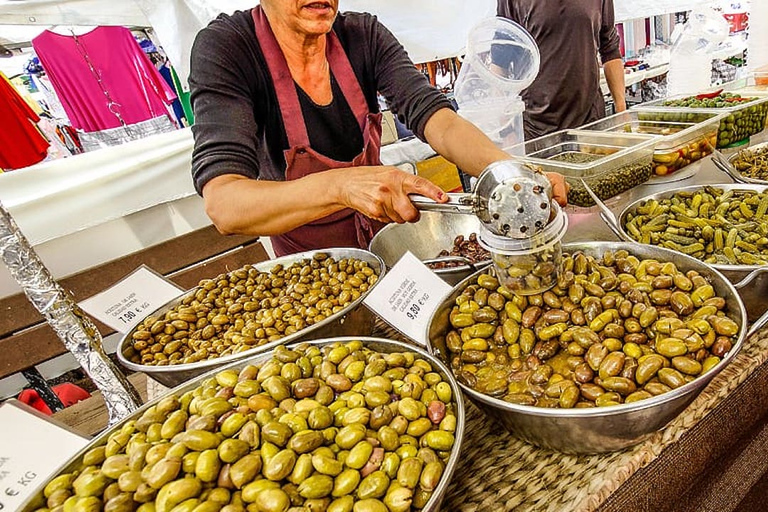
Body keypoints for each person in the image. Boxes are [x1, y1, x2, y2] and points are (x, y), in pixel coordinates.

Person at [189, 0, 568, 256]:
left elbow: (437, 119)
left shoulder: (362, 35)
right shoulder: (228, 48)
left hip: (383, 242)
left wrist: (511, 174)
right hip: (312, 262)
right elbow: (225, 204)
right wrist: (343, 187)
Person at [496, 0, 627, 140]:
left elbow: (609, 48)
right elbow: (500, 62)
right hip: (536, 129)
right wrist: (506, 131)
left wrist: (621, 110)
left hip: (590, 124)